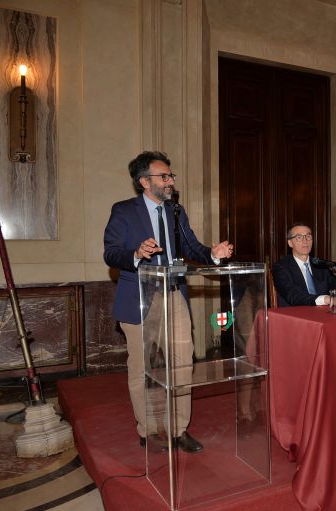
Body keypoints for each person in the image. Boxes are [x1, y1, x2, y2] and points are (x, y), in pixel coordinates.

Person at [104, 150, 234, 453]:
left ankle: (178, 429)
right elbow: (110, 253)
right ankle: (148, 430)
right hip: (139, 297)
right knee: (141, 368)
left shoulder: (176, 211)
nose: (171, 181)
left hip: (174, 295)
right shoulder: (124, 211)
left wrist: (213, 254)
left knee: (182, 365)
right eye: (164, 176)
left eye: (170, 175)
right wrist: (136, 254)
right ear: (145, 181)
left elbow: (192, 248)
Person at [272, 223, 336, 307]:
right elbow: (293, 296)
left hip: (323, 313)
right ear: (290, 243)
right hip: (295, 314)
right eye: (299, 237)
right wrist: (329, 299)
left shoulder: (320, 264)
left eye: (308, 236)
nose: (305, 241)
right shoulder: (281, 267)